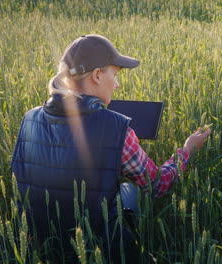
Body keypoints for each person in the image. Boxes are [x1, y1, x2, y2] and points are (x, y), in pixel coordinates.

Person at [11, 34, 211, 263]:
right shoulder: (117, 128)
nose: (117, 84)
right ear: (97, 75)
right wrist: (186, 150)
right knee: (131, 190)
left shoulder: (29, 118)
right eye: (114, 75)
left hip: (40, 248)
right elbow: (158, 185)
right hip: (98, 251)